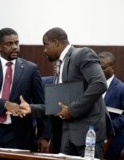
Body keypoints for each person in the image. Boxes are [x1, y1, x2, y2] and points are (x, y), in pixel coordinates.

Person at [20, 27, 110, 158]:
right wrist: (31, 108)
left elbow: (100, 84)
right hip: (66, 134)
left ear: (56, 42)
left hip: (88, 132)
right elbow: (60, 106)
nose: (44, 51)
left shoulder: (82, 53)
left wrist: (72, 110)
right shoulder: (60, 66)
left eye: (46, 45)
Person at [0, 28, 46, 151]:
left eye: (17, 43)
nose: (15, 47)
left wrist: (44, 135)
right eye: (9, 44)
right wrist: (5, 104)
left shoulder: (31, 69)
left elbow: (41, 103)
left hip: (19, 134)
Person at [98, 51, 124, 160]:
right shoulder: (90, 85)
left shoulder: (121, 88)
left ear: (112, 68)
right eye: (96, 67)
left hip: (114, 137)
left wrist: (108, 127)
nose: (98, 70)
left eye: (102, 67)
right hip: (91, 136)